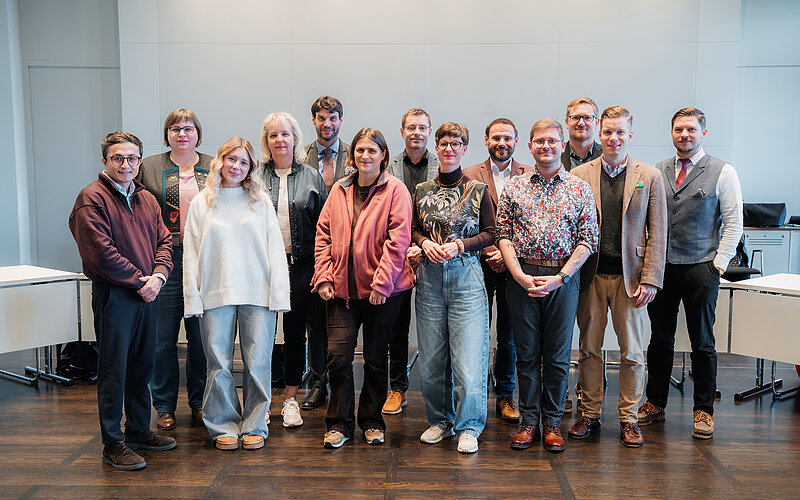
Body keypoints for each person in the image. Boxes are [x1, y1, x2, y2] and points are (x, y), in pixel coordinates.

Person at [69, 132, 176, 471]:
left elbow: (164, 240)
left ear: (140, 161)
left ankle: (139, 430)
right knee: (114, 369)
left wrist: (158, 276)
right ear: (105, 161)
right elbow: (100, 254)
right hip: (115, 295)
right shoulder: (91, 199)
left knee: (144, 366)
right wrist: (139, 280)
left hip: (148, 293)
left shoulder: (147, 199)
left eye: (132, 158)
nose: (125, 164)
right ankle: (113, 443)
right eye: (117, 158)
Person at [639, 107, 743, 440]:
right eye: (679, 130)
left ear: (703, 133)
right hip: (663, 267)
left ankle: (703, 411)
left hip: (702, 267)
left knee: (703, 342)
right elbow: (646, 217)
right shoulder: (657, 170)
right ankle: (655, 403)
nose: (685, 135)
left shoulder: (723, 171)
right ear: (672, 133)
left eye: (691, 130)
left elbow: (733, 222)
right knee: (660, 340)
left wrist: (719, 264)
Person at [496, 119, 598, 453]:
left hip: (562, 280)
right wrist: (519, 275)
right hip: (521, 279)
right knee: (525, 356)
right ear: (530, 145)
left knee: (555, 357)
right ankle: (529, 422)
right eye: (539, 141)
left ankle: (552, 423)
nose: (546, 147)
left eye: (553, 141)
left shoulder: (580, 188)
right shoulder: (514, 187)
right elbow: (503, 236)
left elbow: (587, 241)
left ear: (563, 145)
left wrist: (561, 277)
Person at [183, 137, 290, 451]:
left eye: (244, 162)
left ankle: (255, 423)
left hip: (258, 292)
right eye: (232, 160)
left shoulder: (259, 200)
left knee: (258, 362)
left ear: (251, 168)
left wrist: (279, 295)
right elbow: (190, 252)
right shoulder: (203, 201)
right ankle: (222, 423)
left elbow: (274, 249)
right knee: (218, 363)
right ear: (220, 160)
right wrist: (193, 296)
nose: (237, 167)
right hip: (215, 290)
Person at [569, 106, 667, 447]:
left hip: (632, 280)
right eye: (607, 132)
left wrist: (652, 278)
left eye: (620, 132)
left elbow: (658, 231)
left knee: (633, 353)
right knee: (589, 350)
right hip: (590, 276)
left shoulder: (650, 175)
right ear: (599, 132)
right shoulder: (580, 174)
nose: (613, 138)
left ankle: (629, 418)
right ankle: (590, 414)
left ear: (630, 134)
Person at [313, 127, 414, 449]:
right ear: (352, 155)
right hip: (341, 292)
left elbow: (398, 242)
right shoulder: (340, 189)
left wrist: (382, 283)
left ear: (383, 155)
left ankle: (371, 421)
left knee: (374, 359)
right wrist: (324, 277)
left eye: (372, 151)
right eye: (360, 151)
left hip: (383, 292)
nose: (365, 156)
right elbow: (323, 235)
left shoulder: (395, 190)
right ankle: (339, 424)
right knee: (337, 356)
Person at [413, 122, 495, 454]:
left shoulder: (478, 190)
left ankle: (469, 425)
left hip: (466, 277)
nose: (449, 148)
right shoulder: (421, 190)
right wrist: (422, 243)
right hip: (430, 279)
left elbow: (491, 233)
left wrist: (460, 245)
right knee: (432, 358)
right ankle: (440, 421)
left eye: (456, 143)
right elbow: (415, 230)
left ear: (464, 148)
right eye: (444, 143)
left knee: (468, 359)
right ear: (437, 146)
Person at [136, 108, 210, 431]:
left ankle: (199, 402)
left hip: (204, 260)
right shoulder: (150, 167)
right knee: (162, 339)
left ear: (198, 133)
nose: (182, 134)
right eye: (175, 128)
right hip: (163, 259)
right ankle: (164, 405)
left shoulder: (213, 164)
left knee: (201, 338)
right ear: (167, 134)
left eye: (188, 128)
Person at [260, 112, 328, 429]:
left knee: (295, 335)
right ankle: (257, 401)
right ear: (266, 140)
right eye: (273, 135)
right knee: (257, 334)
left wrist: (322, 267)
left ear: (295, 138)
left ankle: (290, 400)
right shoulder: (255, 176)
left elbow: (325, 227)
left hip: (303, 265)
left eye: (285, 134)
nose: (280, 140)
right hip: (263, 267)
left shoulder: (312, 176)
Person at [464, 118, 530, 423]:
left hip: (515, 267)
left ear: (516, 141)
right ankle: (474, 393)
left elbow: (531, 226)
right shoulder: (468, 175)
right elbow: (463, 224)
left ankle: (505, 395)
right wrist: (489, 249)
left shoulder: (530, 175)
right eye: (495, 138)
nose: (501, 143)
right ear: (486, 140)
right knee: (475, 333)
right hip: (477, 265)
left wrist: (507, 254)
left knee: (509, 335)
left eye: (507, 138)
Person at [382, 107, 439, 414]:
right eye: (411, 127)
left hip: (433, 253)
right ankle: (397, 388)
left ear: (429, 132)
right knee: (396, 327)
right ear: (402, 131)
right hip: (397, 256)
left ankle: (440, 389)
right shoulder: (386, 166)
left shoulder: (444, 164)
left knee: (436, 327)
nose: (417, 132)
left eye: (423, 127)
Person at [300, 95, 350, 410]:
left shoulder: (356, 153)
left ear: (340, 121)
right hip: (310, 250)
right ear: (314, 121)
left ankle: (342, 385)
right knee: (315, 324)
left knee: (343, 323)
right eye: (321, 118)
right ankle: (319, 385)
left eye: (333, 118)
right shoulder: (299, 156)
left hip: (347, 249)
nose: (327, 124)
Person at [561, 97, 602, 171]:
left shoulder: (606, 156)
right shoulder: (556, 156)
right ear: (567, 122)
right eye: (575, 117)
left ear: (596, 123)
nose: (581, 123)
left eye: (587, 118)